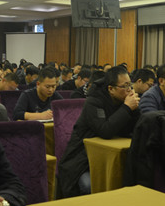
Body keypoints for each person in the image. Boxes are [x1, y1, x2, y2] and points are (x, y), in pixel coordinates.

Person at [58, 66, 140, 197]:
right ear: (111, 89)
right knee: (89, 185)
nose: (129, 89)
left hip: (112, 157)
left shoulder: (123, 101)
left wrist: (135, 109)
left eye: (130, 85)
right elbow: (105, 131)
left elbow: (137, 128)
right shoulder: (94, 101)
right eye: (125, 86)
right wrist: (127, 108)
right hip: (82, 159)